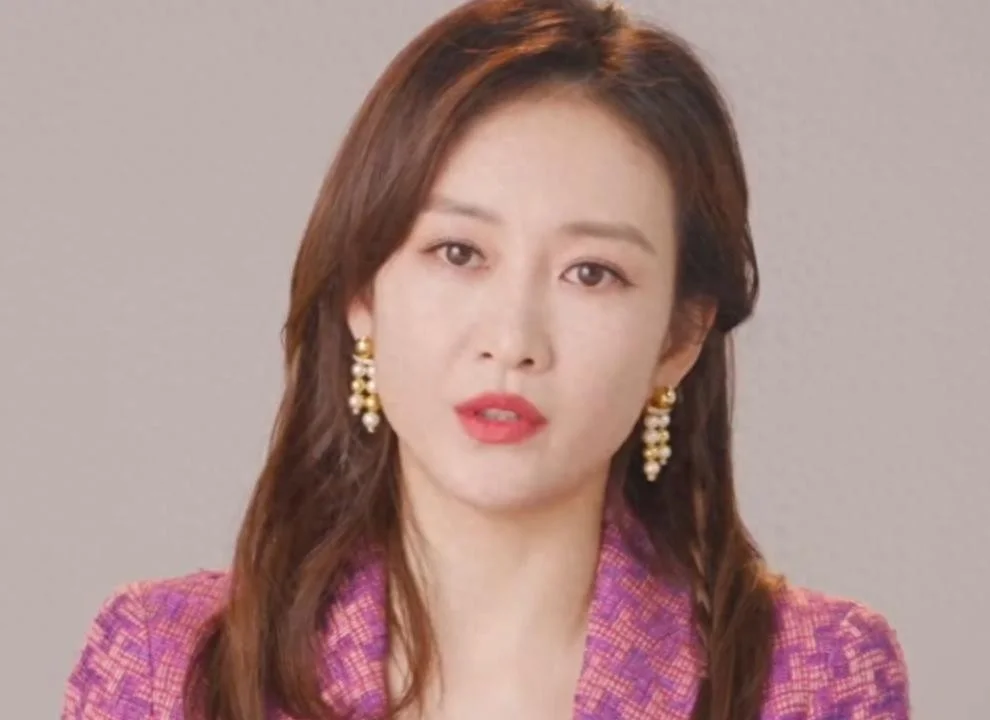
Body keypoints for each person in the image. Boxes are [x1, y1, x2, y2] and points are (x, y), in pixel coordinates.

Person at [62, 1, 910, 718]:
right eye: (459, 252)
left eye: (592, 272)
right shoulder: (170, 667)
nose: (513, 339)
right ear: (363, 290)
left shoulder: (810, 677)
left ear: (678, 339)